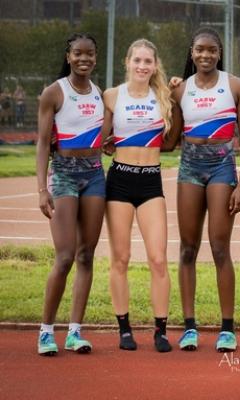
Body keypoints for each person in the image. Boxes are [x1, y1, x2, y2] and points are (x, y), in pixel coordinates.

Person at [163, 27, 240, 352]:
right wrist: (127, 141)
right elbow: (170, 142)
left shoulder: (235, 86)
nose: (205, 55)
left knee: (219, 247)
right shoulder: (179, 91)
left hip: (221, 167)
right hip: (189, 168)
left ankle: (227, 328)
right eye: (200, 49)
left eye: (211, 50)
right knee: (187, 249)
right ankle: (189, 327)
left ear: (219, 52)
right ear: (191, 52)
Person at [36, 33, 105, 356]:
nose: (84, 59)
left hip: (93, 175)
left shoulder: (99, 94)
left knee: (86, 255)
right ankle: (46, 331)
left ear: (95, 58)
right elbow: (41, 142)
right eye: (78, 54)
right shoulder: (54, 92)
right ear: (68, 56)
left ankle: (75, 331)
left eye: (89, 54)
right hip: (62, 174)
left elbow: (102, 135)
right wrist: (41, 189)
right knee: (64, 257)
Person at [102, 39, 173, 352]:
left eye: (148, 61)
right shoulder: (112, 95)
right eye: (138, 60)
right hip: (119, 179)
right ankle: (124, 329)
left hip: (150, 182)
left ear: (155, 65)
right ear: (127, 62)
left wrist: (180, 82)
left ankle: (160, 330)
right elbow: (100, 136)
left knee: (158, 259)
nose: (143, 66)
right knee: (121, 259)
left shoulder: (165, 96)